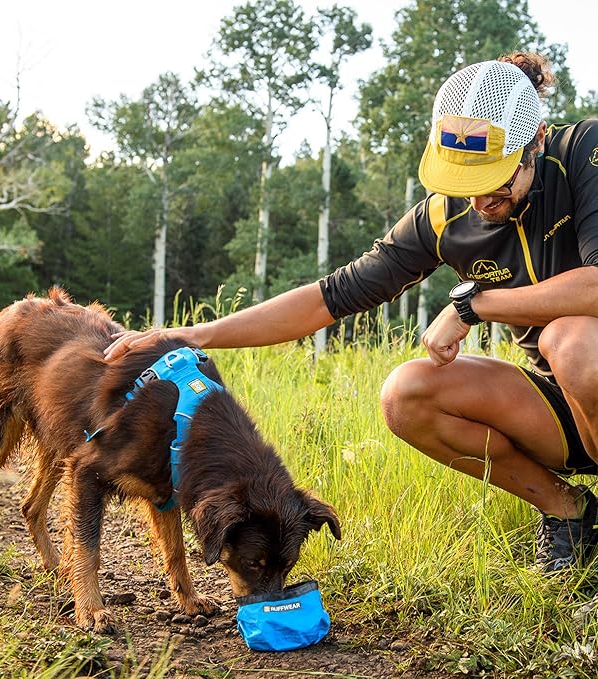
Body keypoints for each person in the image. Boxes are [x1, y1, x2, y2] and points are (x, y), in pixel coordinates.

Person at [105, 52, 598, 574]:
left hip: (586, 364)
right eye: (464, 180)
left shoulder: (584, 153)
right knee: (408, 393)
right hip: (569, 407)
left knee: (572, 340)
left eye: (495, 179)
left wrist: (475, 304)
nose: (478, 198)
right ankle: (569, 512)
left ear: (537, 139)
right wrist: (198, 334)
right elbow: (329, 297)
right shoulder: (444, 214)